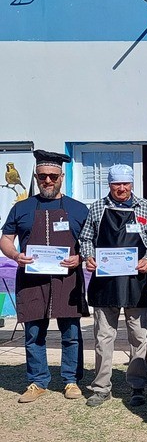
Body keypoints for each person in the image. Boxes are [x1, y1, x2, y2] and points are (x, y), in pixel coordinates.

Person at [0, 150, 89, 403]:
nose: (47, 181)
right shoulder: (21, 208)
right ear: (36, 177)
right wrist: (16, 256)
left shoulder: (78, 209)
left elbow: (91, 243)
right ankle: (37, 381)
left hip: (67, 279)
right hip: (31, 280)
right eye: (42, 176)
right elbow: (6, 240)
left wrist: (80, 258)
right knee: (33, 333)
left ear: (62, 176)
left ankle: (71, 380)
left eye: (52, 176)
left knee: (71, 333)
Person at [80, 164, 147, 407]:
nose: (122, 189)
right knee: (104, 337)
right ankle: (101, 387)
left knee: (139, 335)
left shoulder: (144, 206)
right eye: (117, 184)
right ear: (110, 185)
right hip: (105, 283)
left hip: (135, 281)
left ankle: (137, 385)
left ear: (131, 184)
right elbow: (85, 238)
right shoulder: (97, 207)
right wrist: (88, 257)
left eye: (125, 184)